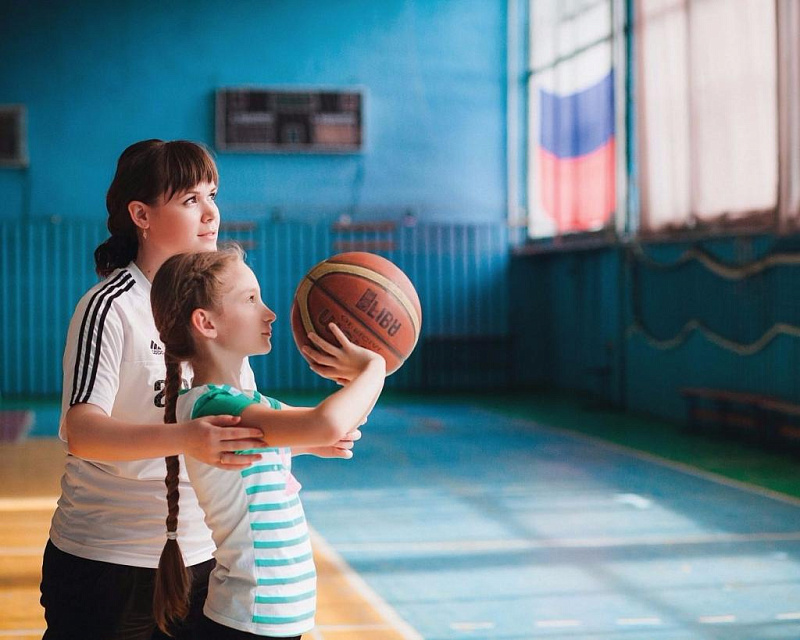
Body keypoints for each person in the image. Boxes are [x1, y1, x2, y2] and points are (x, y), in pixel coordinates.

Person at [40, 139, 271, 640]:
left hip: (208, 555)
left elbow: (238, 417)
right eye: (191, 200)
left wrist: (310, 435)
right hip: (109, 564)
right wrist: (186, 438)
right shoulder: (109, 307)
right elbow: (82, 431)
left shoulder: (220, 309)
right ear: (141, 214)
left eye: (212, 194)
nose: (211, 213)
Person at [149, 246, 385, 639]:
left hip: (267, 617)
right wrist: (375, 365)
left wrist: (346, 390)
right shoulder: (213, 403)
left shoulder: (251, 402)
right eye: (250, 299)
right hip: (249, 618)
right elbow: (327, 423)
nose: (270, 313)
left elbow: (340, 425)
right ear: (205, 323)